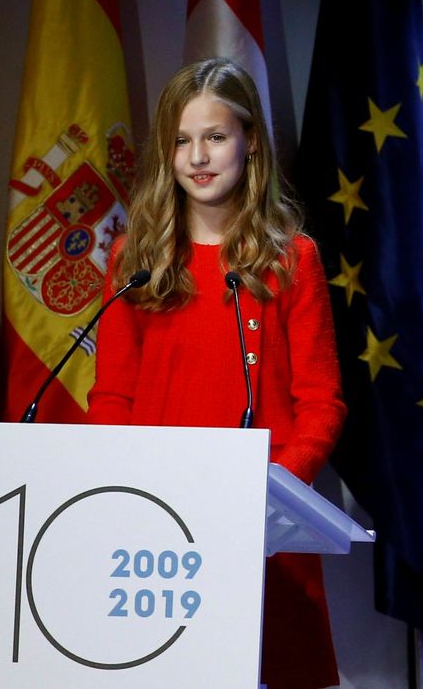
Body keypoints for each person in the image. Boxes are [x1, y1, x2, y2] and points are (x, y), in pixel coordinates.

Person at [90, 57, 347, 689]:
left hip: (261, 528)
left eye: (215, 137)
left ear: (250, 142)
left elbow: (322, 400)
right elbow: (112, 394)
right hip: (155, 529)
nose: (198, 157)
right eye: (181, 141)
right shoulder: (136, 260)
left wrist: (275, 492)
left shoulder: (291, 259)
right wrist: (124, 488)